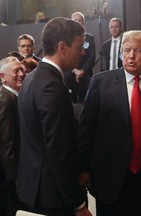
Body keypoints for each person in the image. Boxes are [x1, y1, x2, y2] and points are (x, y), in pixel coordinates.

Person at [77, 30, 141, 216]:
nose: (131, 56)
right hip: (111, 174)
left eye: (137, 51)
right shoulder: (101, 83)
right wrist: (83, 168)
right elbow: (86, 129)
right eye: (126, 50)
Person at [17, 17, 92, 216]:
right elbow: (59, 151)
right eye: (79, 46)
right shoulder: (51, 86)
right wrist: (77, 203)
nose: (83, 52)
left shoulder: (33, 77)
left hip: (37, 188)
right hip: (52, 195)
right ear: (62, 47)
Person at [0, 57, 26, 216]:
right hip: (10, 179)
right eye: (16, 71)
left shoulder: (14, 96)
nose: (22, 74)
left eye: (22, 69)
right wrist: (14, 178)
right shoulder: (5, 101)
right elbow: (6, 143)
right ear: (2, 77)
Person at [64, 12, 96, 103]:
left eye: (80, 20)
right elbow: (64, 57)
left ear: (84, 22)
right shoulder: (65, 38)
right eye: (75, 20)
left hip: (85, 76)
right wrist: (74, 70)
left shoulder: (89, 38)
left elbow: (91, 57)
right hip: (69, 76)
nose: (78, 23)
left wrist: (82, 71)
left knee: (86, 103)